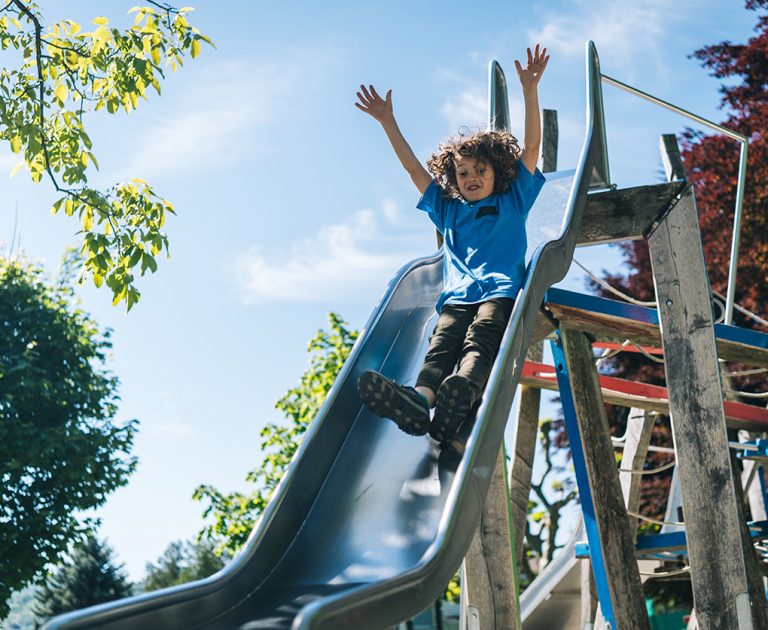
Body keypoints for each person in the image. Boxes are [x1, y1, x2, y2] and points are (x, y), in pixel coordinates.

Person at [355, 45, 550, 443]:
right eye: (463, 173)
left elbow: (531, 147)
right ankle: (421, 400)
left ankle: (462, 390)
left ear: (497, 172)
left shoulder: (513, 200)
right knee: (440, 348)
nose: (472, 177)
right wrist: (388, 122)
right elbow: (413, 168)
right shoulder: (448, 211)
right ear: (454, 179)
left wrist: (530, 91)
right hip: (456, 298)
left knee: (481, 342)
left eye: (480, 170)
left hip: (499, 293)